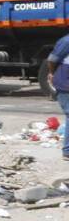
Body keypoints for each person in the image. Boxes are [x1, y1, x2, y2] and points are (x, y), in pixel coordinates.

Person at [47, 30, 69, 161]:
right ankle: (67, 151)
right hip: (65, 84)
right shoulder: (66, 41)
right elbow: (52, 60)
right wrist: (52, 73)